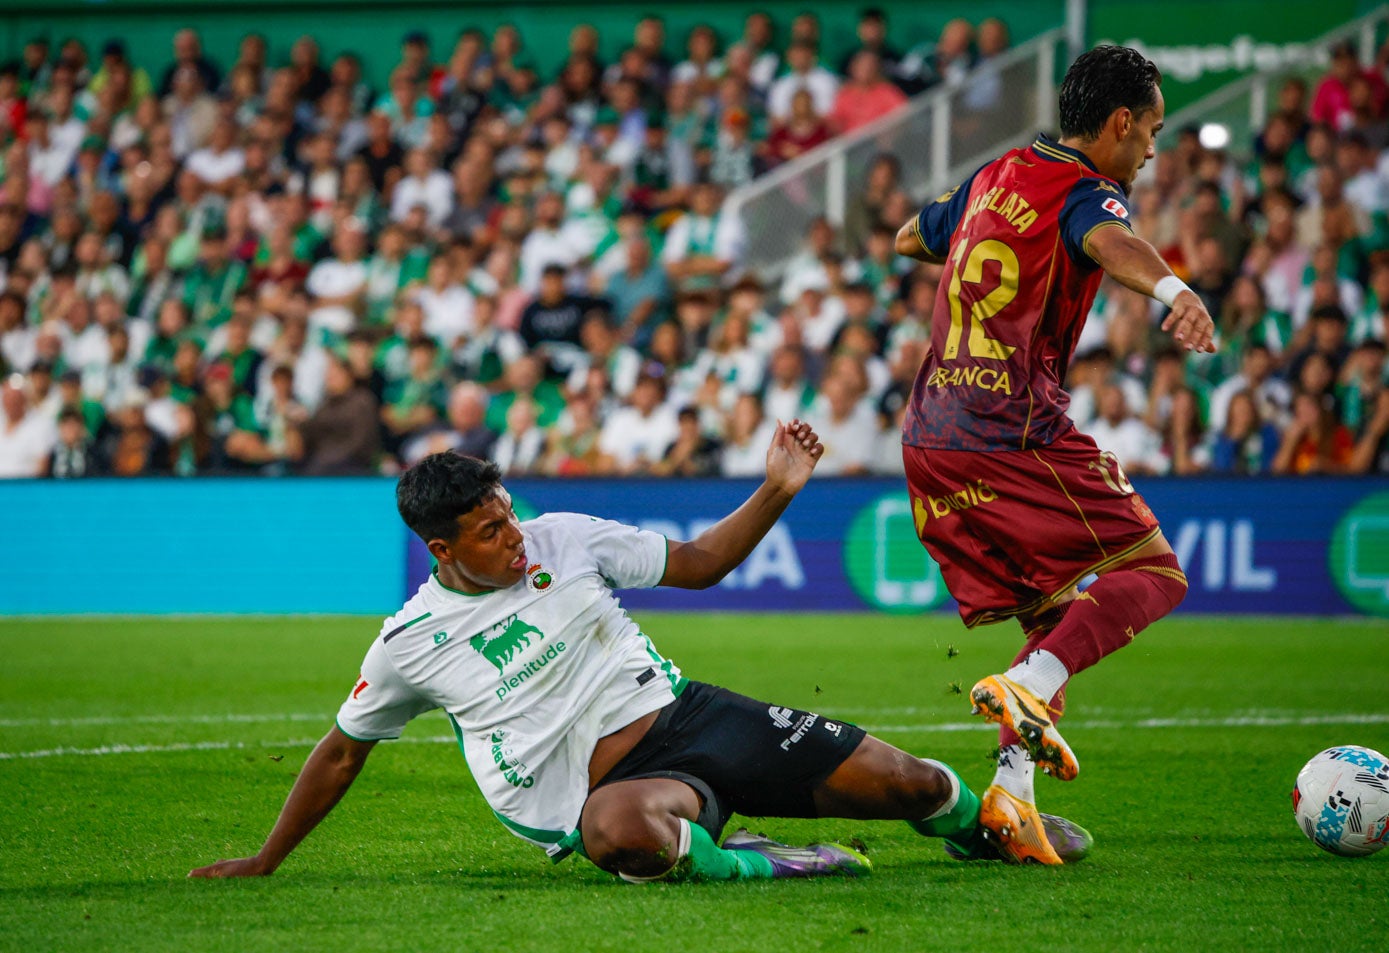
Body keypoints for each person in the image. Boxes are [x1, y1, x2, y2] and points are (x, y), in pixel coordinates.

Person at [190, 427, 1091, 882]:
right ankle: (773, 861)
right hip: (601, 795)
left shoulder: (564, 536)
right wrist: (267, 858)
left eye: (507, 512)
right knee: (618, 835)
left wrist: (775, 489)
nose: (513, 536)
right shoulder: (407, 644)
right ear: (441, 550)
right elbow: (344, 747)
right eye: (488, 530)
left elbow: (698, 564)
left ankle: (987, 828)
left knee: (912, 785)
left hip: (688, 718)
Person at [893, 45, 1215, 865]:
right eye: (1149, 131)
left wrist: (978, 239)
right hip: (1009, 430)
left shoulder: (996, 173)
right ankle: (1027, 689)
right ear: (1116, 124)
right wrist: (1176, 293)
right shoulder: (1085, 190)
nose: (1150, 149)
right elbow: (1107, 239)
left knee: (1052, 616)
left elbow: (908, 237)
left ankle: (1011, 800)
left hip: (930, 436)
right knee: (1154, 571)